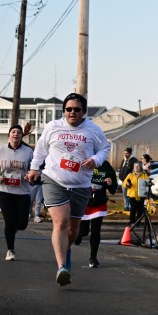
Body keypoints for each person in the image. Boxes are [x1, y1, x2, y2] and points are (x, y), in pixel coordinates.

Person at [26, 92, 110, 287]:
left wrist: (95, 160)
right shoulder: (53, 127)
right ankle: (62, 267)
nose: (72, 112)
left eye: (77, 109)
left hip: (81, 184)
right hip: (54, 180)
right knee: (61, 223)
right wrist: (34, 169)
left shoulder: (93, 130)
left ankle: (66, 249)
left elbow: (105, 148)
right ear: (64, 111)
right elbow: (40, 149)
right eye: (69, 109)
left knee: (73, 230)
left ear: (83, 111)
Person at [0, 124, 34, 261]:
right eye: (13, 132)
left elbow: (35, 169)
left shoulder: (28, 152)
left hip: (23, 191)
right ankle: (10, 250)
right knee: (9, 221)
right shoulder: (1, 151)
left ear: (21, 136)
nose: (16, 134)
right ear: (9, 135)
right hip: (4, 190)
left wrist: (30, 175)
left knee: (22, 224)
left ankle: (12, 230)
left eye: (18, 132)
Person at [76, 158, 117, 268]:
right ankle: (78, 234)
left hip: (99, 202)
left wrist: (110, 183)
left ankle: (93, 258)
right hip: (85, 201)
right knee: (83, 231)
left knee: (96, 231)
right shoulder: (84, 162)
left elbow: (113, 189)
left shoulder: (106, 166)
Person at [122, 161, 149, 227]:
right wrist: (127, 184)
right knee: (133, 209)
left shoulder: (144, 175)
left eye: (138, 166)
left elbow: (147, 185)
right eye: (135, 166)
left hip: (141, 195)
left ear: (140, 167)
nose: (136, 168)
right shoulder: (130, 175)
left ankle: (138, 222)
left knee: (140, 209)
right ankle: (132, 222)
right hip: (132, 195)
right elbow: (124, 184)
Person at [117, 147, 139, 212]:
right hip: (123, 181)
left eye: (126, 153)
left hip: (130, 181)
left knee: (130, 195)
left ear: (130, 153)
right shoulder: (124, 160)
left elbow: (134, 171)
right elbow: (121, 169)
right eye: (124, 153)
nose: (125, 154)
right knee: (125, 195)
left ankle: (130, 207)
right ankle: (126, 206)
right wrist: (120, 176)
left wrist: (130, 180)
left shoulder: (133, 160)